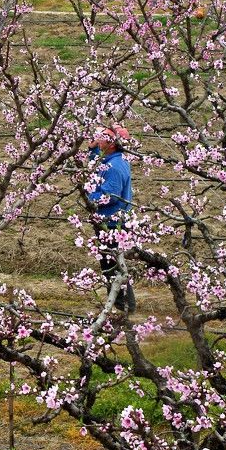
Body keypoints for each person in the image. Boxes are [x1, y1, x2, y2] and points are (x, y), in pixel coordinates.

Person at [86, 125, 134, 311]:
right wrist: (93, 151)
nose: (99, 137)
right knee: (112, 266)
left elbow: (109, 196)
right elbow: (99, 168)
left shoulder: (114, 166)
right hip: (113, 223)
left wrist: (90, 196)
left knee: (112, 268)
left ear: (113, 143)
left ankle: (124, 307)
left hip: (112, 225)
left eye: (104, 136)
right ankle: (121, 306)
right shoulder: (115, 160)